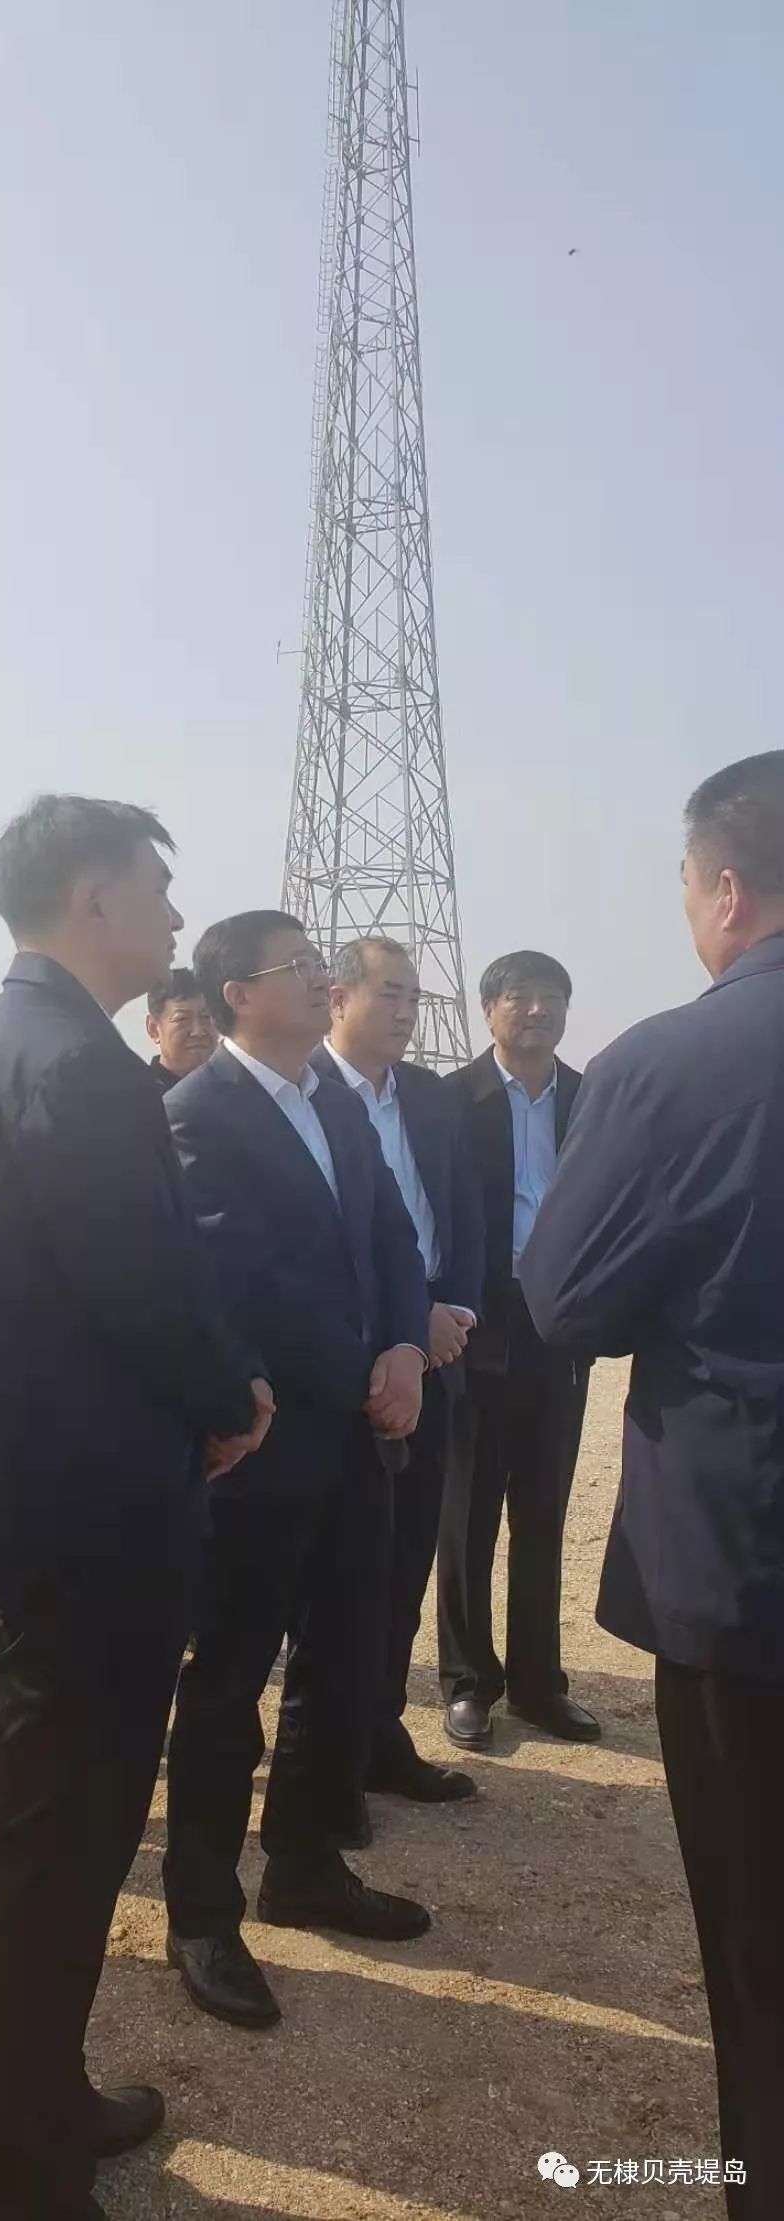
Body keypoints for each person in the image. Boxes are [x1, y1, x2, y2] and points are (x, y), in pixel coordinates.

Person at [0, 796, 270, 2221]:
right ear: (93, 899)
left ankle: (48, 2102)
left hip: (63, 1506)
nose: (176, 919)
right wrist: (231, 1395)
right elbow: (144, 1287)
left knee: (62, 1837)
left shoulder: (29, 1042)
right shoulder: (71, 1062)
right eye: (158, 890)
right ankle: (22, 2175)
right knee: (47, 1845)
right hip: (88, 1521)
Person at [521, 753, 784, 2221]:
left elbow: (565, 1299)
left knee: (761, 1939)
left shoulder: (674, 1061)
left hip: (749, 1561)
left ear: (726, 889)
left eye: (685, 887)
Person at [163, 910, 432, 2035]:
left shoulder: (335, 1099)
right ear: (237, 992)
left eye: (324, 964)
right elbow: (228, 1285)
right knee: (229, 1677)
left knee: (344, 1653)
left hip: (358, 1436)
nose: (326, 979)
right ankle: (201, 1911)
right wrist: (355, 1373)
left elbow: (391, 1239)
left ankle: (307, 1862)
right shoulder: (199, 1113)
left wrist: (406, 1342)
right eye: (302, 966)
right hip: (265, 1441)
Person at [313, 936, 484, 1823]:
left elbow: (463, 1216)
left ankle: (381, 1734)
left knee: (407, 1558)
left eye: (415, 995)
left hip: (436, 1359)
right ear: (336, 997)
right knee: (339, 1580)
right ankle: (329, 1760)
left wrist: (452, 1313)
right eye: (390, 993)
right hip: (347, 1374)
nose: (408, 1010)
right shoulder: (301, 1093)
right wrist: (406, 1322)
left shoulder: (431, 1097)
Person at [437, 953, 600, 1752]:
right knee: (468, 1512)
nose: (538, 1009)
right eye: (520, 996)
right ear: (488, 1009)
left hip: (559, 1324)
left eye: (552, 997)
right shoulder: (450, 1099)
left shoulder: (591, 1097)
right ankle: (469, 1680)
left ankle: (540, 1684)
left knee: (543, 1509)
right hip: (479, 1322)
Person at [145, 965, 217, 1092]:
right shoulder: (138, 1094)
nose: (198, 1032)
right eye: (182, 1019)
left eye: (206, 1017)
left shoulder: (238, 1090)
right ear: (154, 1029)